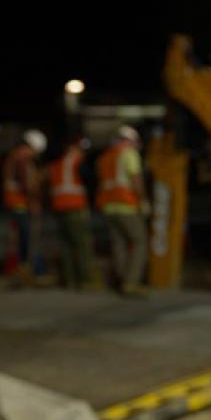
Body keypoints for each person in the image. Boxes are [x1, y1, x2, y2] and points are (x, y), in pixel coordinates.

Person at [96, 125, 149, 296]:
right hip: (126, 205)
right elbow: (136, 180)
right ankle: (131, 283)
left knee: (119, 245)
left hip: (108, 207)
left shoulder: (105, 157)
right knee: (139, 242)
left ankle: (121, 279)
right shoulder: (129, 154)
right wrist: (143, 201)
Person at [49, 135, 99, 289]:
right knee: (82, 245)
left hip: (59, 207)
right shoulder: (78, 163)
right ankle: (85, 280)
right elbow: (90, 180)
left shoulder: (56, 164)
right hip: (75, 207)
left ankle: (69, 280)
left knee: (66, 245)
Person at [2, 129, 50, 284]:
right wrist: (40, 179)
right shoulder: (22, 159)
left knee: (23, 239)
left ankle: (25, 269)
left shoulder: (13, 157)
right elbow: (27, 185)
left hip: (15, 203)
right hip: (21, 203)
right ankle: (37, 272)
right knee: (30, 239)